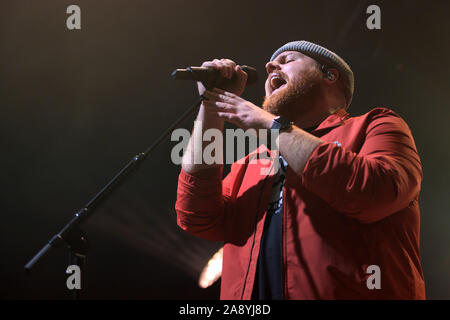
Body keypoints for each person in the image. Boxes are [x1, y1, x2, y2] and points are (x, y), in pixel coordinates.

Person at [175, 40, 425, 299]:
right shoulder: (253, 163)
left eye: (288, 60)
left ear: (329, 74)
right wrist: (211, 105)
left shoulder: (376, 125)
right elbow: (196, 215)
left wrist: (270, 125)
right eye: (273, 63)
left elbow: (376, 192)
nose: (271, 65)